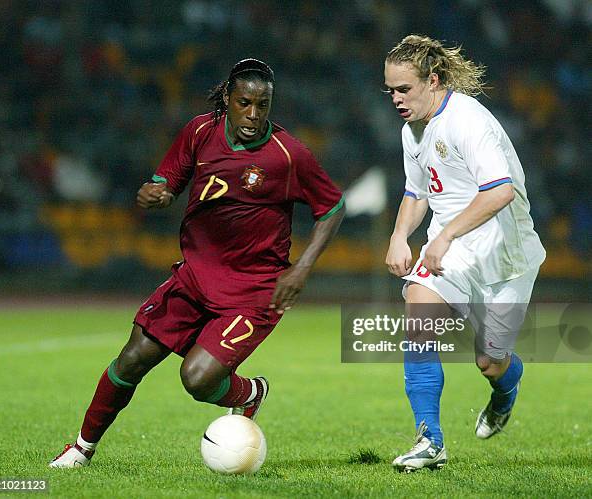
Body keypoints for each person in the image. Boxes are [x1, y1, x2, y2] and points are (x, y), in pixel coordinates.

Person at [49, 58, 345, 468]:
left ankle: (249, 393)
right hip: (194, 277)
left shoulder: (287, 155)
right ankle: (82, 449)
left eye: (263, 105)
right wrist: (156, 192)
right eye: (245, 103)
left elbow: (332, 207)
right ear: (228, 98)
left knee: (198, 378)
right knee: (132, 358)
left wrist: (302, 267)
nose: (254, 115)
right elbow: (167, 179)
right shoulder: (200, 130)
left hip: (254, 291)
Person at [383, 35, 545, 472]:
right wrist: (400, 235)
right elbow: (417, 192)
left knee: (490, 362)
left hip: (502, 254)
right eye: (391, 91)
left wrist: (445, 236)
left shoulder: (468, 121)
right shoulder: (411, 130)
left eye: (404, 89)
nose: (396, 99)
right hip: (450, 248)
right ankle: (429, 439)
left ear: (433, 80)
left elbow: (500, 191)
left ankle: (505, 391)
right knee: (418, 319)